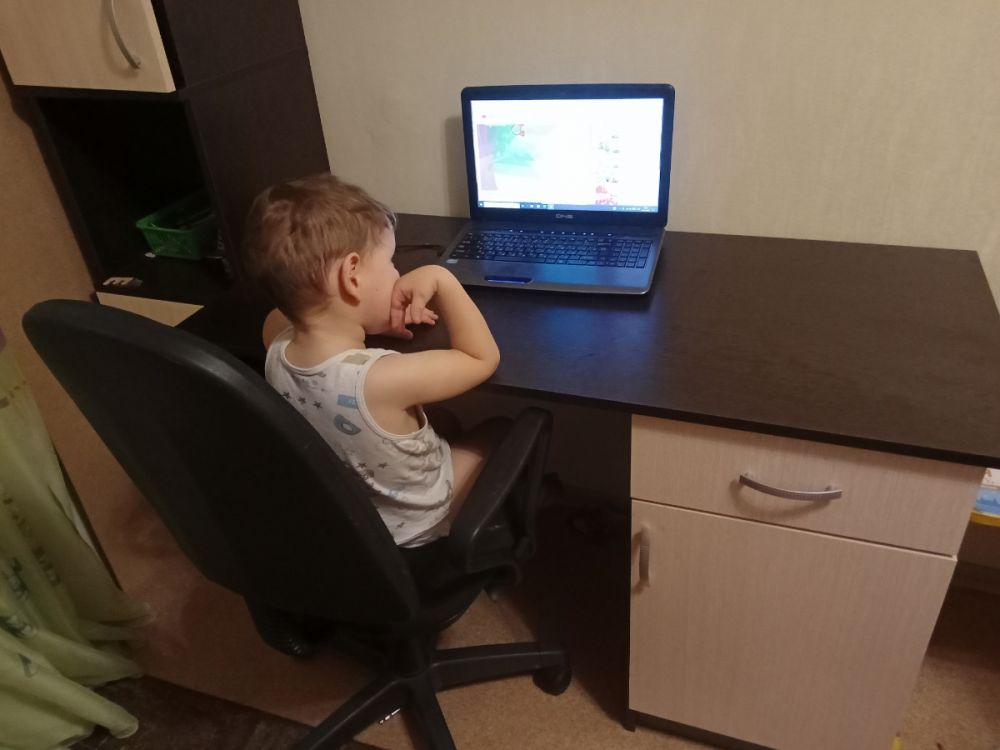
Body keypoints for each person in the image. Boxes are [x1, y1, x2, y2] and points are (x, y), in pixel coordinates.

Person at [242, 173, 502, 547]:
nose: (397, 272)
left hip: (350, 513)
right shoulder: (381, 378)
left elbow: (285, 313)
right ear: (352, 276)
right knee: (497, 428)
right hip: (417, 522)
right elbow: (480, 358)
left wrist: (365, 318)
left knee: (446, 420)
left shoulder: (276, 344)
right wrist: (441, 279)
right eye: (390, 261)